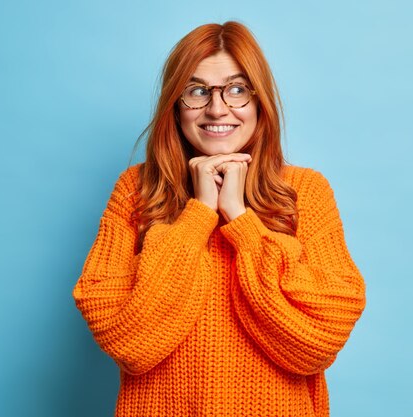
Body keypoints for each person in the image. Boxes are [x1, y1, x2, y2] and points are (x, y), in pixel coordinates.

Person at [72, 21, 366, 417]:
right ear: (175, 106)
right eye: (197, 91)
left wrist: (239, 218)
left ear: (260, 101)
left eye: (237, 89)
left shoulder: (306, 191)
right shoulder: (136, 190)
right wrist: (199, 214)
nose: (217, 108)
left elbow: (317, 343)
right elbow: (130, 344)